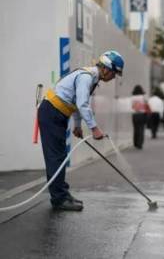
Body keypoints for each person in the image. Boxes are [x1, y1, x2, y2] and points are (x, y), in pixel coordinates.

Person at [38, 50, 124, 211]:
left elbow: (77, 102)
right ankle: (59, 199)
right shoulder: (86, 77)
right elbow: (83, 104)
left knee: (60, 155)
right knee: (56, 157)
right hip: (52, 113)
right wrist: (94, 128)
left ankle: (62, 194)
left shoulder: (91, 78)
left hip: (57, 114)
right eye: (114, 73)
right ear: (106, 68)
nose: (114, 77)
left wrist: (77, 125)